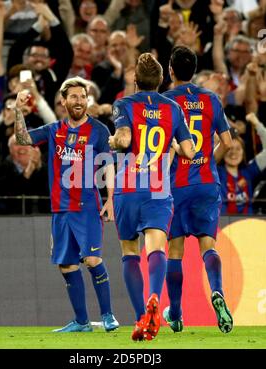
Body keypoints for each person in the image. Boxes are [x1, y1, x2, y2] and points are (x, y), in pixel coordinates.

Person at [13, 77, 119, 332]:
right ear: (63, 101)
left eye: (82, 96)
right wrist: (18, 110)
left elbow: (109, 165)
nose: (79, 101)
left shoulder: (99, 130)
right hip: (61, 209)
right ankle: (82, 322)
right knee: (67, 265)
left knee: (93, 259)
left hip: (87, 207)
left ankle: (108, 316)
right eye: (74, 97)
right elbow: (23, 139)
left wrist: (112, 199)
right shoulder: (54, 130)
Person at [109, 52, 195, 341]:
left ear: (135, 80)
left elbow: (122, 140)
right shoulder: (172, 108)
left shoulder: (124, 104)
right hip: (159, 187)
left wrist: (112, 141)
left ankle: (139, 318)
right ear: (160, 80)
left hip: (129, 187)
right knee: (157, 249)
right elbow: (190, 151)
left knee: (130, 252)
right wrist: (171, 143)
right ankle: (155, 299)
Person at [162, 45, 233, 334]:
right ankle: (217, 292)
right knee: (208, 245)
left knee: (175, 250)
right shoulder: (211, 99)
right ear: (194, 70)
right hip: (206, 183)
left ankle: (176, 314)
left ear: (170, 70)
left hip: (177, 185)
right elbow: (227, 143)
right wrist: (208, 163)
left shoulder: (164, 101)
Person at [218, 112, 266, 214]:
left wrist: (257, 123)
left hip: (246, 226)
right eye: (229, 149)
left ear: (243, 153)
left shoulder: (248, 172)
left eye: (238, 149)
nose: (233, 153)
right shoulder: (216, 172)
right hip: (222, 227)